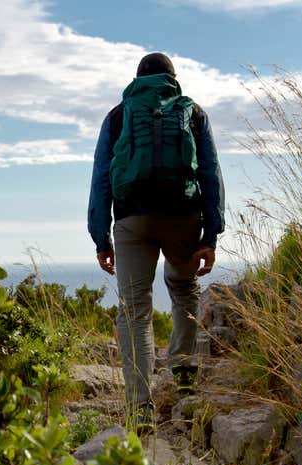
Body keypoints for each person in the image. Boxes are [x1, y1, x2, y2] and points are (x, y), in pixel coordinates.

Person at [87, 52, 225, 433]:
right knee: (183, 288)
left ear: (137, 79)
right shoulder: (192, 112)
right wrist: (210, 235)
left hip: (132, 221)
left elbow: (101, 178)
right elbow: (211, 174)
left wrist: (101, 237)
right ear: (172, 79)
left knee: (135, 309)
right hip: (183, 217)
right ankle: (183, 372)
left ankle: (140, 409)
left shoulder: (118, 116)